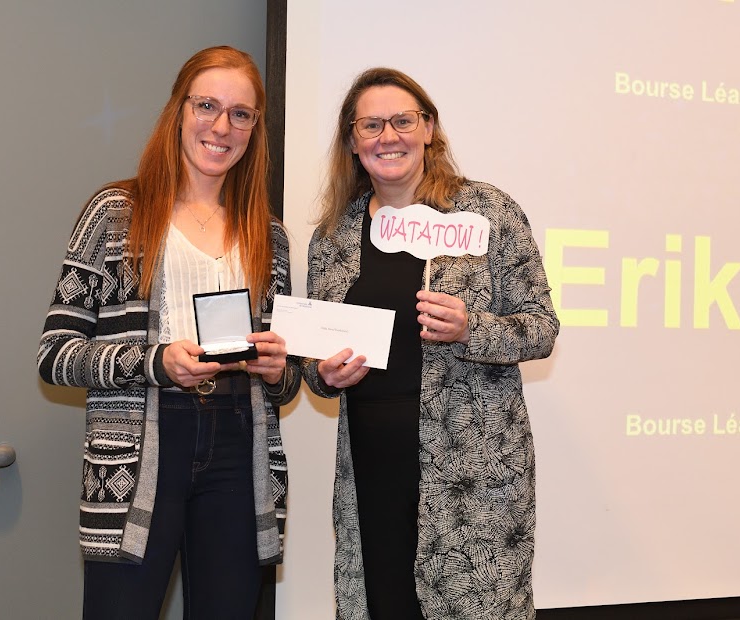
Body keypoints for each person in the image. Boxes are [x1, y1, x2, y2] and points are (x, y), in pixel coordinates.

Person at [37, 46, 300, 619]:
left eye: (241, 114)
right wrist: (157, 362)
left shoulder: (269, 236)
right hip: (139, 452)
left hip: (240, 445)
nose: (221, 125)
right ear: (178, 111)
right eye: (207, 105)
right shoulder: (115, 214)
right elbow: (56, 355)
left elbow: (287, 381)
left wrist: (280, 372)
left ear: (255, 129)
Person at [302, 67, 560, 620]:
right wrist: (322, 373)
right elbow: (310, 359)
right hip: (372, 469)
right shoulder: (333, 236)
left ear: (429, 129)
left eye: (402, 120)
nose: (387, 136)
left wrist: (473, 328)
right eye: (371, 124)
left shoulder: (487, 210)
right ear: (351, 139)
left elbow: (541, 327)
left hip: (472, 474)